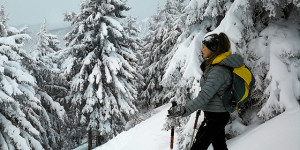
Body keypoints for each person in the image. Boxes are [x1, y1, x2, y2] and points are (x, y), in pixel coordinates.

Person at [168, 32, 244, 150]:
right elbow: (209, 93)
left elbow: (205, 96)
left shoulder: (218, 71)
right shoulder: (214, 67)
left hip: (217, 117)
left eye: (204, 47)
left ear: (213, 49)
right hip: (214, 115)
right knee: (220, 147)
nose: (201, 50)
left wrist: (183, 110)